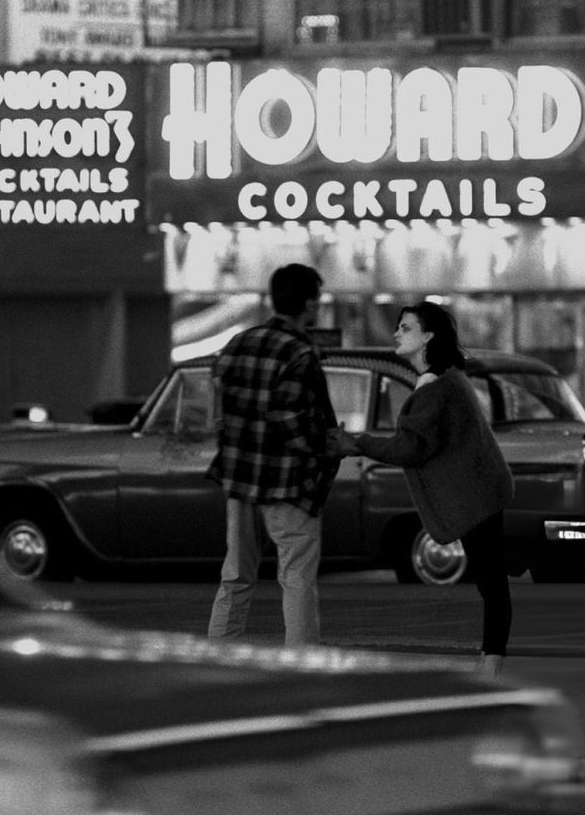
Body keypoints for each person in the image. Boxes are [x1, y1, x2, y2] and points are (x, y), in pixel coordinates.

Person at [339, 302, 515, 675]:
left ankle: (492, 665)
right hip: (480, 492)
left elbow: (409, 448)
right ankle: (492, 659)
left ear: (428, 337)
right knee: (492, 577)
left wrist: (358, 442)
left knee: (491, 582)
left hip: (475, 496)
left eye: (405, 328)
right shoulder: (444, 379)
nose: (396, 333)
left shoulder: (435, 386)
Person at [206, 263, 342, 647]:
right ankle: (302, 664)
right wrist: (324, 447)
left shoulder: (237, 344)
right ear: (310, 304)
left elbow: (218, 414)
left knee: (235, 576)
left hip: (240, 479)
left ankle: (219, 654)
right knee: (296, 578)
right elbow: (288, 418)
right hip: (287, 483)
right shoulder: (299, 352)